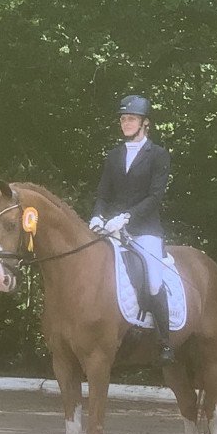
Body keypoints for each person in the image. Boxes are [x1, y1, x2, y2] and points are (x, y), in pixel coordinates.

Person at [90, 94, 175, 364]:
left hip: (145, 228)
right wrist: (97, 217)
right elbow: (103, 193)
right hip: (112, 227)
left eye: (131, 119)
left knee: (152, 278)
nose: (125, 123)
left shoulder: (158, 155)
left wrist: (126, 217)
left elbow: (155, 197)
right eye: (123, 118)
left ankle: (164, 341)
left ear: (145, 123)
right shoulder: (114, 155)